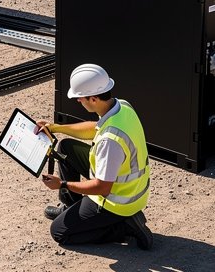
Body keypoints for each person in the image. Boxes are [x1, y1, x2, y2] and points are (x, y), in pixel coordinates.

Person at [35, 63, 153, 250]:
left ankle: (124, 227)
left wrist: (62, 184)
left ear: (94, 98)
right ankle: (71, 208)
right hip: (133, 188)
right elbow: (94, 128)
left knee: (59, 232)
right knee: (65, 147)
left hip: (118, 201)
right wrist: (55, 127)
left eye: (80, 98)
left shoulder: (110, 141)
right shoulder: (121, 106)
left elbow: (102, 187)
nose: (78, 101)